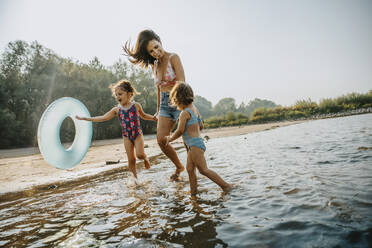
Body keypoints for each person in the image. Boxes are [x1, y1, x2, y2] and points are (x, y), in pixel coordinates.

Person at [123, 29, 185, 181]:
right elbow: (159, 88)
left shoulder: (173, 57)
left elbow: (182, 83)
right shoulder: (154, 65)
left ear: (160, 41)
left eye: (157, 47)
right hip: (165, 104)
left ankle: (193, 171)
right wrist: (158, 110)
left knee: (188, 141)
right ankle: (179, 166)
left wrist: (186, 107)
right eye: (151, 51)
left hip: (179, 100)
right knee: (161, 141)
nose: (156, 52)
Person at [76, 79, 157, 180]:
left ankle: (145, 158)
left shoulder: (136, 106)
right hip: (126, 137)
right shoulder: (117, 110)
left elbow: (144, 116)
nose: (118, 97)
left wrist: (153, 118)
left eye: (120, 94)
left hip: (137, 134)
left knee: (139, 155)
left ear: (129, 94)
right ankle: (135, 180)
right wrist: (86, 118)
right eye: (116, 95)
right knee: (131, 160)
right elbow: (103, 117)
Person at [166, 82, 232, 195]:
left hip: (194, 145)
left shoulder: (184, 113)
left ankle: (226, 186)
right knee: (190, 169)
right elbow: (201, 126)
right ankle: (193, 192)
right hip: (197, 143)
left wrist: (170, 138)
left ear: (178, 100)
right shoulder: (195, 109)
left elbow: (180, 130)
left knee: (203, 170)